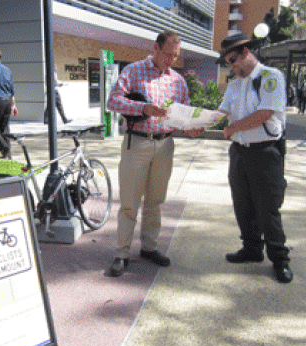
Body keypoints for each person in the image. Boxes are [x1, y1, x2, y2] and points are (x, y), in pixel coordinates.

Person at [105, 30, 203, 277]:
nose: (171, 60)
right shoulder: (134, 71)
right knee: (129, 203)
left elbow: (185, 112)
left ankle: (149, 248)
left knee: (155, 201)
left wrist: (193, 126)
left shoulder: (177, 81)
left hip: (165, 145)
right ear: (156, 47)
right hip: (137, 143)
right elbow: (113, 101)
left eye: (175, 56)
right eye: (168, 54)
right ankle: (121, 253)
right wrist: (144, 108)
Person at [216, 33, 293, 283]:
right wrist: (196, 123)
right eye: (228, 62)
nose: (232, 65)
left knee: (267, 209)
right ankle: (252, 250)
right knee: (243, 204)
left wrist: (232, 128)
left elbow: (264, 114)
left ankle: (280, 260)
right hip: (239, 153)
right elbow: (221, 112)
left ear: (248, 52)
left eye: (234, 59)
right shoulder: (235, 84)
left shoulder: (271, 77)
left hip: (265, 153)